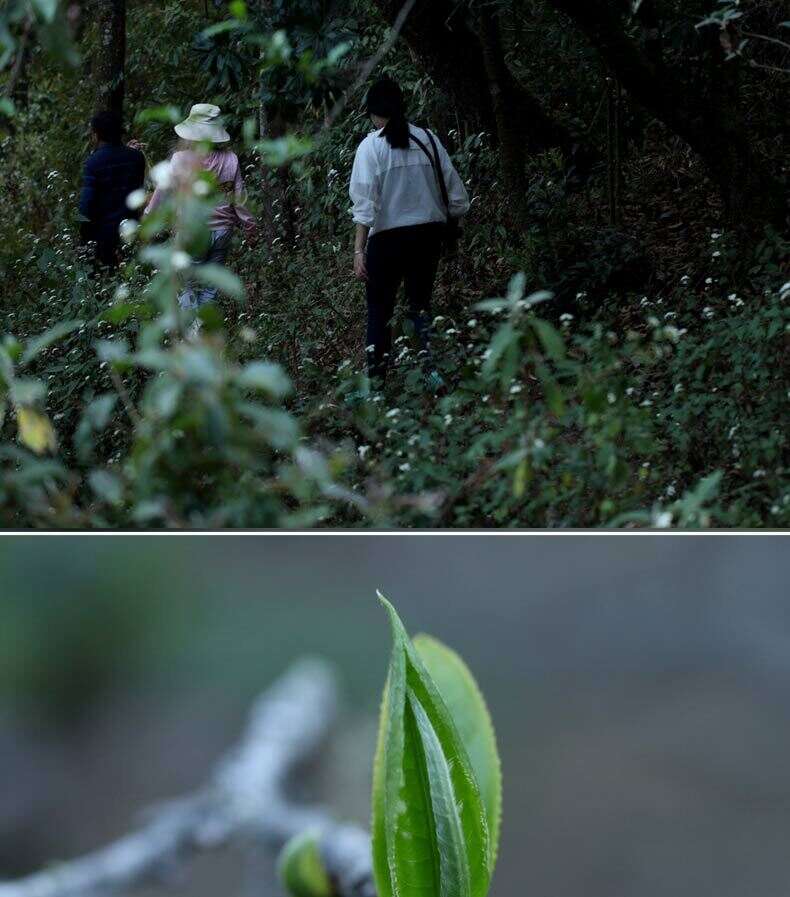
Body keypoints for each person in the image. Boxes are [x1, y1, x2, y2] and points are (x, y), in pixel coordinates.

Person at [349, 77, 470, 389]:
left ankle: (376, 385)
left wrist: (358, 250)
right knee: (421, 307)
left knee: (379, 311)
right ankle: (431, 375)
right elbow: (458, 199)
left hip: (385, 242)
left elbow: (364, 205)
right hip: (426, 239)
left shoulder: (370, 147)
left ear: (375, 114)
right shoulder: (429, 139)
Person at [144, 103, 257, 312]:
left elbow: (162, 191)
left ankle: (191, 334)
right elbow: (240, 198)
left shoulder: (180, 159)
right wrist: (250, 228)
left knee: (189, 286)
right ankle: (205, 329)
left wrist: (149, 216)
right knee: (210, 288)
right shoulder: (231, 159)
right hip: (223, 231)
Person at [79, 111, 146, 270]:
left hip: (103, 235)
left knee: (102, 281)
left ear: (96, 135)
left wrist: (83, 237)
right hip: (131, 231)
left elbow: (86, 205)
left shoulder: (93, 163)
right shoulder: (136, 157)